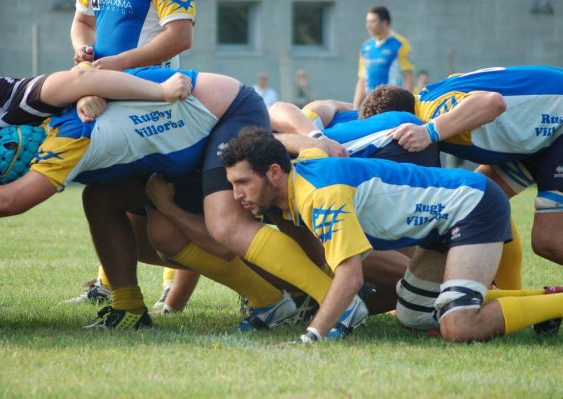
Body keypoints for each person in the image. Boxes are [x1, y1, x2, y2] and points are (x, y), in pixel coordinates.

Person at [0, 67, 305, 330]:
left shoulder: (51, 125)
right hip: (169, 149)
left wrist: (158, 90)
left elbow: (10, 201)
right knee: (113, 207)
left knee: (221, 230)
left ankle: (320, 292)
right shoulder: (55, 121)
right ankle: (129, 307)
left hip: (218, 114)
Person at [222, 128, 563, 342]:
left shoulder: (319, 196)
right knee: (413, 315)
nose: (237, 194)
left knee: (458, 326)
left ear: (275, 173)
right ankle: (546, 299)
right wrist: (269, 142)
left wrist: (312, 335)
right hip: (441, 224)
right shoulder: (305, 167)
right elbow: (309, 145)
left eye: (242, 183)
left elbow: (350, 275)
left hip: (473, 205)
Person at [361, 66, 563, 266]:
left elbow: (492, 102)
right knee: (476, 204)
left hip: (553, 132)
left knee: (547, 241)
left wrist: (429, 132)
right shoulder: (424, 98)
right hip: (538, 139)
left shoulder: (432, 113)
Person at [70, 0, 198, 309]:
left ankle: (175, 294)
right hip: (108, 91)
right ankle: (112, 287)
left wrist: (120, 62)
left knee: (165, 203)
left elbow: (181, 36)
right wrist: (85, 50)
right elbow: (83, 22)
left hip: (155, 99)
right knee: (109, 192)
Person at [353, 6, 413, 110]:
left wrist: (407, 106)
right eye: (367, 22)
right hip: (371, 105)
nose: (368, 25)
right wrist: (355, 107)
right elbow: (362, 79)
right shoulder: (366, 47)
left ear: (384, 23)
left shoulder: (400, 44)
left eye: (372, 21)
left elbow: (408, 76)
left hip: (393, 104)